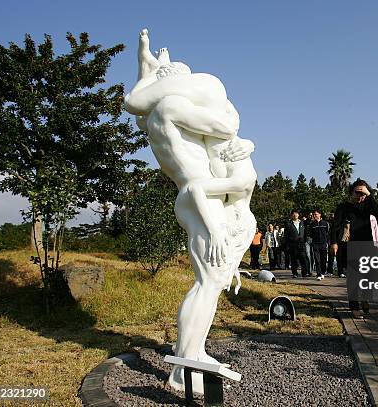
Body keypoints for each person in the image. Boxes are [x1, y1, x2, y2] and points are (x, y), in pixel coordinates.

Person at [125, 29, 257, 392]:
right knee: (207, 284)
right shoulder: (173, 108)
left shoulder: (155, 120)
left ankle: (194, 351)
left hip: (193, 194)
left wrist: (146, 63)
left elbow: (141, 97)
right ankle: (184, 367)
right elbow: (228, 126)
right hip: (202, 198)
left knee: (209, 284)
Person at [331, 179, 378, 317]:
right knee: (354, 278)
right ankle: (354, 307)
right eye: (357, 192)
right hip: (350, 245)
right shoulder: (343, 207)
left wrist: (369, 195)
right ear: (351, 192)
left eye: (362, 192)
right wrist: (334, 242)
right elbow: (336, 225)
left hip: (368, 244)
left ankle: (365, 297)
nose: (360, 195)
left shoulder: (367, 205)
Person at [284, 210, 308, 277]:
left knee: (303, 258)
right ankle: (294, 273)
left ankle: (304, 272)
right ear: (291, 215)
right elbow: (286, 234)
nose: (295, 215)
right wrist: (288, 244)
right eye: (293, 214)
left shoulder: (302, 222)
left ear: (298, 215)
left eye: (296, 214)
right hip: (293, 244)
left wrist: (304, 240)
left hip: (301, 243)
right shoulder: (288, 223)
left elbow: (305, 232)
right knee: (294, 259)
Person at [309, 209, 330, 280]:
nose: (315, 216)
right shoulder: (312, 224)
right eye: (314, 214)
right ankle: (318, 274)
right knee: (317, 260)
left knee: (323, 259)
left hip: (323, 244)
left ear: (320, 214)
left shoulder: (325, 223)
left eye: (316, 214)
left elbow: (328, 233)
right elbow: (310, 234)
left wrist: (327, 242)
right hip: (315, 244)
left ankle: (323, 272)